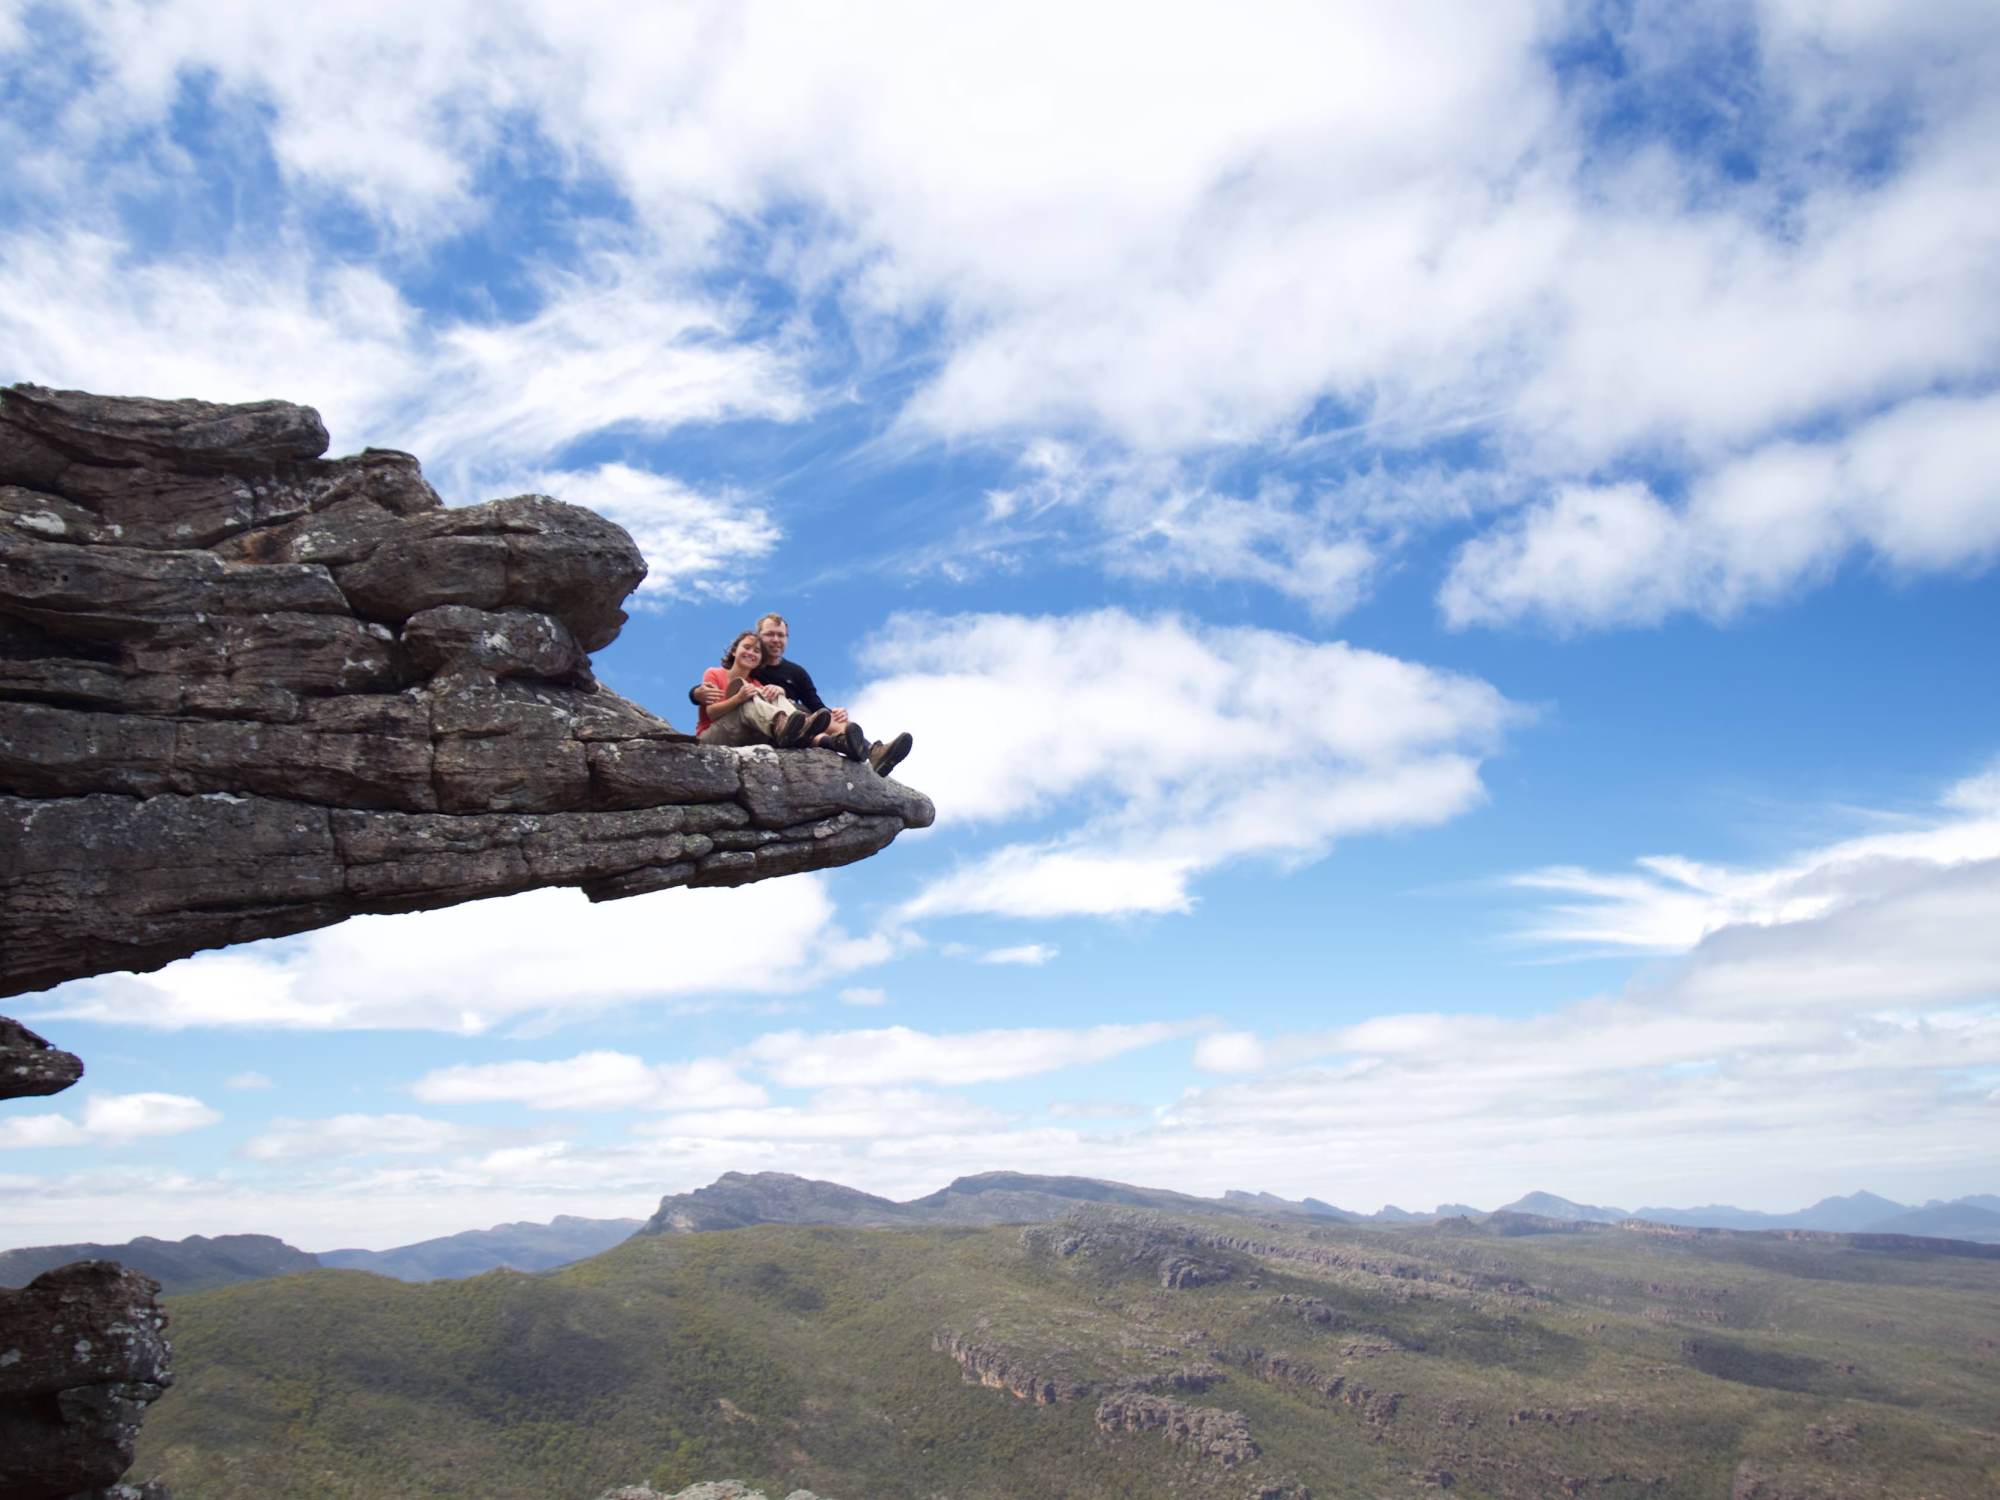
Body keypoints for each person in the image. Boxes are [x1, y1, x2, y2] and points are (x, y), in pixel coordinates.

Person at [690, 612, 913, 777]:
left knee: (801, 710)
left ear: (787, 639)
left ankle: (869, 750)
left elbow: (817, 707)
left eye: (781, 635)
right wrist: (695, 693)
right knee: (776, 702)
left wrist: (835, 713)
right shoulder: (744, 670)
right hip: (760, 723)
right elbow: (712, 697)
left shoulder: (792, 672)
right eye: (769, 635)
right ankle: (805, 731)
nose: (775, 640)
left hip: (790, 723)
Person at [695, 630, 835, 749]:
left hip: (745, 736)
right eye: (747, 647)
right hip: (713, 736)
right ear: (733, 651)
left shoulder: (756, 683)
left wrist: (779, 691)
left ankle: (800, 728)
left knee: (774, 694)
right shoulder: (714, 673)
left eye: (756, 651)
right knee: (747, 703)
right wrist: (738, 699)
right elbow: (711, 713)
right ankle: (783, 725)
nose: (751, 653)